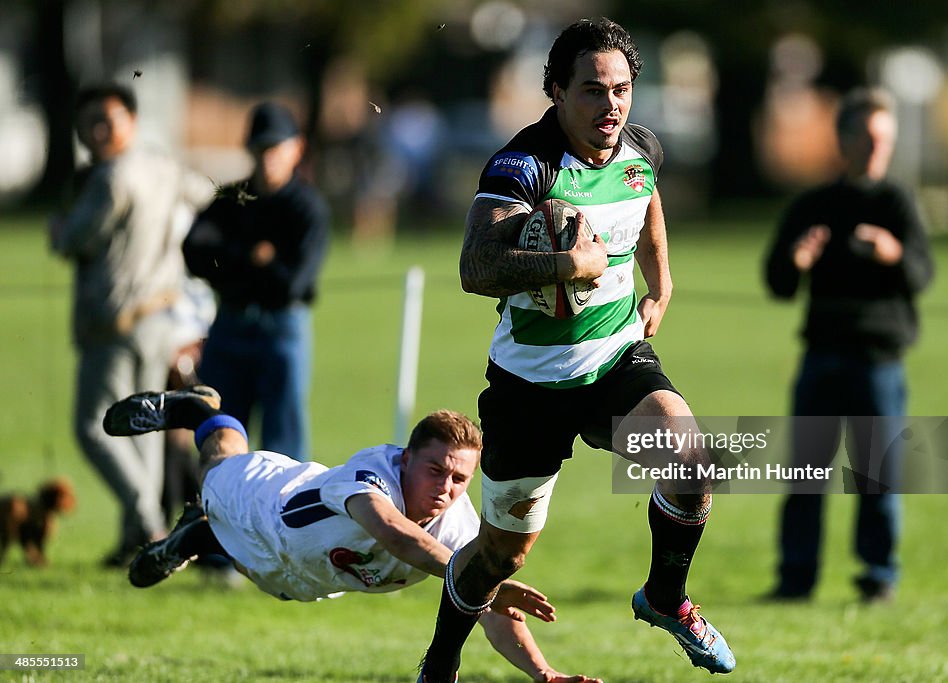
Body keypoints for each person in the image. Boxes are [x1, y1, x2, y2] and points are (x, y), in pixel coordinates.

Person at [418, 18, 736, 683]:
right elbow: (476, 267)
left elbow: (643, 198)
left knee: (690, 458)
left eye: (621, 89)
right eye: (592, 91)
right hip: (529, 385)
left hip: (615, 361)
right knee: (502, 554)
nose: (610, 105)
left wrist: (662, 280)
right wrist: (570, 263)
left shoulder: (638, 147)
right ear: (556, 91)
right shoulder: (522, 164)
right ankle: (441, 661)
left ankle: (665, 597)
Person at [102, 387, 600, 683]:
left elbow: (491, 610)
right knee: (216, 463)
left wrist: (544, 674)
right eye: (434, 470)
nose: (446, 488)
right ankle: (202, 411)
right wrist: (464, 574)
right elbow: (393, 533)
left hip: (301, 576)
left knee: (252, 568)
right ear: (405, 459)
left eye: (459, 479)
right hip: (265, 503)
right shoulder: (373, 472)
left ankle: (200, 538)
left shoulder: (462, 527)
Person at [763, 87, 935, 602]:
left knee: (878, 479)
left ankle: (878, 577)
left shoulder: (897, 203)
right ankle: (796, 579)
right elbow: (776, 282)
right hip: (821, 357)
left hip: (878, 361)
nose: (876, 148)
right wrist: (795, 264)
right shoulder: (816, 205)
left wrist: (891, 252)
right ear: (844, 139)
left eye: (884, 138)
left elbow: (922, 273)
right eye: (867, 136)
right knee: (805, 477)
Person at [50, 83, 213, 566]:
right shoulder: (164, 167)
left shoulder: (109, 178)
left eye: (108, 120)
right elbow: (206, 194)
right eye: (89, 123)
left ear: (131, 121)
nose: (97, 132)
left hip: (115, 319)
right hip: (162, 313)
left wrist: (59, 229)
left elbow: (73, 238)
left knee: (93, 426)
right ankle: (139, 536)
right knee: (141, 426)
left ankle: (148, 521)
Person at [183, 101, 330, 461]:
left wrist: (230, 261)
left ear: (297, 148)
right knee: (219, 434)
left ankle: (279, 516)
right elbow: (193, 252)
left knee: (284, 445)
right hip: (230, 325)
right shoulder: (233, 198)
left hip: (282, 329)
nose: (268, 158)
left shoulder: (307, 207)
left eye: (275, 148)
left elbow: (292, 283)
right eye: (260, 149)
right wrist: (254, 255)